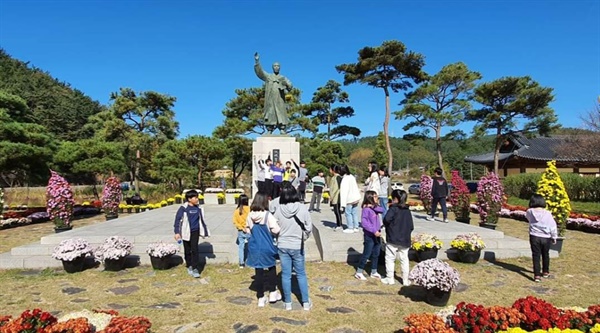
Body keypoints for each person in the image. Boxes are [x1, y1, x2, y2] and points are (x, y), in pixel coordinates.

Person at [274, 184, 313, 311]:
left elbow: (274, 228)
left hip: (283, 245)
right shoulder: (302, 208)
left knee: (285, 275)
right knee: (301, 274)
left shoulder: (279, 210)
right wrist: (304, 237)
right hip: (297, 245)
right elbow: (308, 227)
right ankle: (306, 302)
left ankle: (288, 303)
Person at [244, 193, 282, 307]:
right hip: (267, 246)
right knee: (271, 268)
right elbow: (276, 230)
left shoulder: (250, 215)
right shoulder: (267, 215)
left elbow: (247, 230)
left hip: (254, 246)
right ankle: (273, 292)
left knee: (258, 271)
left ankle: (260, 297)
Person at [174, 190, 210, 278]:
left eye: (197, 197)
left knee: (195, 249)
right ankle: (189, 265)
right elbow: (177, 220)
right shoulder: (183, 208)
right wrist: (177, 232)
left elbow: (202, 220)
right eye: (195, 197)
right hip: (185, 232)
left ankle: (195, 268)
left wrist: (204, 230)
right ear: (189, 199)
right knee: (187, 250)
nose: (197, 199)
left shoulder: (199, 208)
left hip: (195, 231)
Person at [254, 52, 292, 134]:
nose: (276, 67)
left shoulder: (282, 78)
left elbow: (290, 85)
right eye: (275, 66)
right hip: (270, 99)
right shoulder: (268, 77)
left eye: (278, 66)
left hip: (279, 100)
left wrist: (288, 85)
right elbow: (260, 73)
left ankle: (282, 129)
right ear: (272, 67)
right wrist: (257, 62)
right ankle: (269, 129)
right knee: (270, 113)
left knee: (281, 113)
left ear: (280, 68)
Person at [381, 190, 413, 286]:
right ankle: (405, 280)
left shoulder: (393, 209)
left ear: (395, 199)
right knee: (404, 259)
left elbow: (386, 219)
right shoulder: (407, 210)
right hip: (405, 239)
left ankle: (390, 278)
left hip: (393, 238)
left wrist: (389, 227)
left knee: (390, 258)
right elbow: (411, 226)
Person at [526, 194, 558, 282]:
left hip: (534, 236)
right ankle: (545, 271)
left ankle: (537, 275)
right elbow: (552, 225)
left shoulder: (529, 211)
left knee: (536, 255)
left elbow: (528, 219)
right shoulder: (547, 213)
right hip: (546, 237)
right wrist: (554, 236)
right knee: (545, 254)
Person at [354, 190, 384, 280]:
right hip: (369, 235)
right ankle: (359, 271)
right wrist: (374, 231)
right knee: (367, 254)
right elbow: (365, 223)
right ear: (369, 197)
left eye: (376, 196)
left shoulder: (375, 208)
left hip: (377, 235)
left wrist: (373, 206)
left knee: (376, 253)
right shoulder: (366, 209)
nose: (377, 198)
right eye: (375, 196)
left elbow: (382, 210)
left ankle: (374, 271)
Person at [339, 165, 362, 233]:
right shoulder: (351, 176)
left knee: (348, 213)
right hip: (355, 197)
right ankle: (356, 227)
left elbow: (344, 192)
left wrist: (342, 204)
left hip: (349, 199)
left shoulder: (345, 179)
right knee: (354, 213)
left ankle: (350, 227)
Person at [232, 194, 251, 268]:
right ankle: (249, 261)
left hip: (241, 231)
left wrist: (241, 227)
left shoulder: (237, 211)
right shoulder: (250, 209)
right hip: (249, 230)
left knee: (241, 247)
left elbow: (235, 221)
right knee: (250, 246)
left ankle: (241, 263)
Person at [328, 165, 343, 230]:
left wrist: (331, 196)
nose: (329, 170)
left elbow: (335, 188)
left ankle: (339, 224)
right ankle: (338, 223)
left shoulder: (337, 177)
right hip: (335, 196)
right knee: (336, 211)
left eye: (330, 169)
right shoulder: (334, 177)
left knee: (337, 211)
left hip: (336, 196)